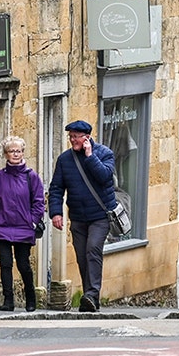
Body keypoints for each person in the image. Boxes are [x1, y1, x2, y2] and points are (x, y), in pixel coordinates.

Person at [48, 119, 117, 313]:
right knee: (81, 256)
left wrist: (89, 156)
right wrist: (56, 213)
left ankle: (91, 294)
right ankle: (90, 297)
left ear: (87, 138)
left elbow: (105, 177)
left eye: (76, 137)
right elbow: (56, 188)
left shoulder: (104, 154)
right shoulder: (64, 160)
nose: (72, 140)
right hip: (78, 216)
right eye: (70, 137)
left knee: (92, 249)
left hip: (100, 215)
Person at [0, 135, 46, 312]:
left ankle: (30, 298)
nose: (15, 154)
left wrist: (32, 221)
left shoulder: (31, 176)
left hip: (23, 227)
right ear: (5, 154)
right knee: (5, 263)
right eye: (11, 151)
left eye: (18, 151)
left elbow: (39, 201)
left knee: (23, 264)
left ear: (23, 152)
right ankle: (8, 300)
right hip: (2, 226)